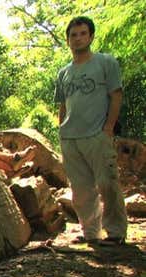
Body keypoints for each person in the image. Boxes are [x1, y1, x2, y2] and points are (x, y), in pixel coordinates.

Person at [54, 16, 127, 246]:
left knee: (108, 183)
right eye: (73, 35)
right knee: (81, 190)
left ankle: (115, 233)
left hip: (97, 135)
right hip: (71, 137)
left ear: (91, 36)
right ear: (68, 41)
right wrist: (61, 130)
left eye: (83, 33)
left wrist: (108, 127)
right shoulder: (63, 73)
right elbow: (63, 105)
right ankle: (90, 233)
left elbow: (116, 95)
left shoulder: (106, 63)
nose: (78, 38)